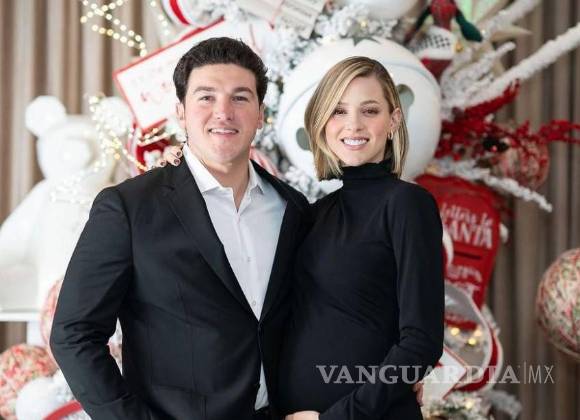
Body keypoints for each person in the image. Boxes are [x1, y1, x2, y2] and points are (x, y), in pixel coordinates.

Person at [163, 56, 443, 420]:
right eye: (339, 111)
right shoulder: (310, 213)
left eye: (369, 110)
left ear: (393, 120)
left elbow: (422, 343)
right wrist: (186, 166)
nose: (353, 124)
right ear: (322, 122)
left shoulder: (406, 204)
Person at [50, 37, 311, 420]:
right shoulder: (128, 208)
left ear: (260, 114)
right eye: (206, 97)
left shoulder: (292, 208)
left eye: (240, 98)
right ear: (181, 112)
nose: (223, 112)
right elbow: (73, 334)